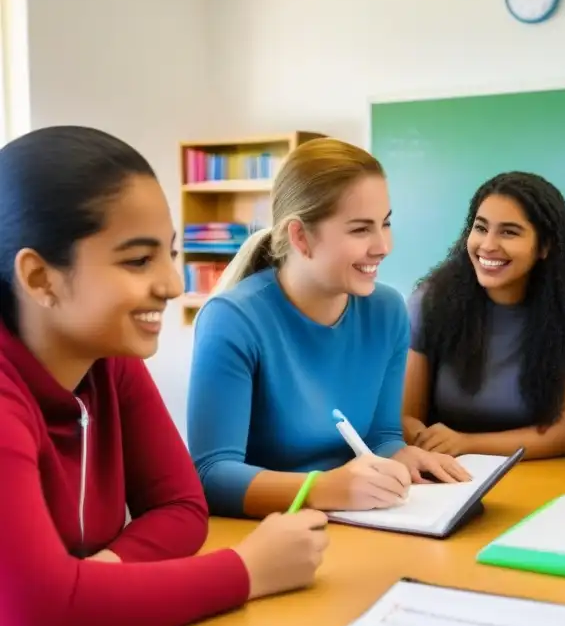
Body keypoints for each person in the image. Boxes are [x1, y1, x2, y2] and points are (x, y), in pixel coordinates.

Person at [0, 126, 329, 626]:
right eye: (137, 261)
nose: (174, 284)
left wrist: (92, 580)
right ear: (40, 278)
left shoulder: (108, 361)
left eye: (170, 254)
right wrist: (246, 572)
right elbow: (39, 621)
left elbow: (181, 508)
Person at [188, 138, 468, 520]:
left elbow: (381, 437)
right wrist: (322, 488)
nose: (383, 245)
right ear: (300, 237)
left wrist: (399, 456)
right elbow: (211, 476)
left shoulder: (387, 311)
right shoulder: (232, 320)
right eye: (360, 230)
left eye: (385, 223)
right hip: (267, 535)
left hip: (359, 523)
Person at [402, 171, 565, 459]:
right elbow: (406, 418)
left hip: (533, 473)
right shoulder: (429, 303)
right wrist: (428, 442)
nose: (488, 245)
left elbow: (561, 435)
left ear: (544, 247)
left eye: (509, 232)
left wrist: (466, 443)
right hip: (442, 472)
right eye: (481, 228)